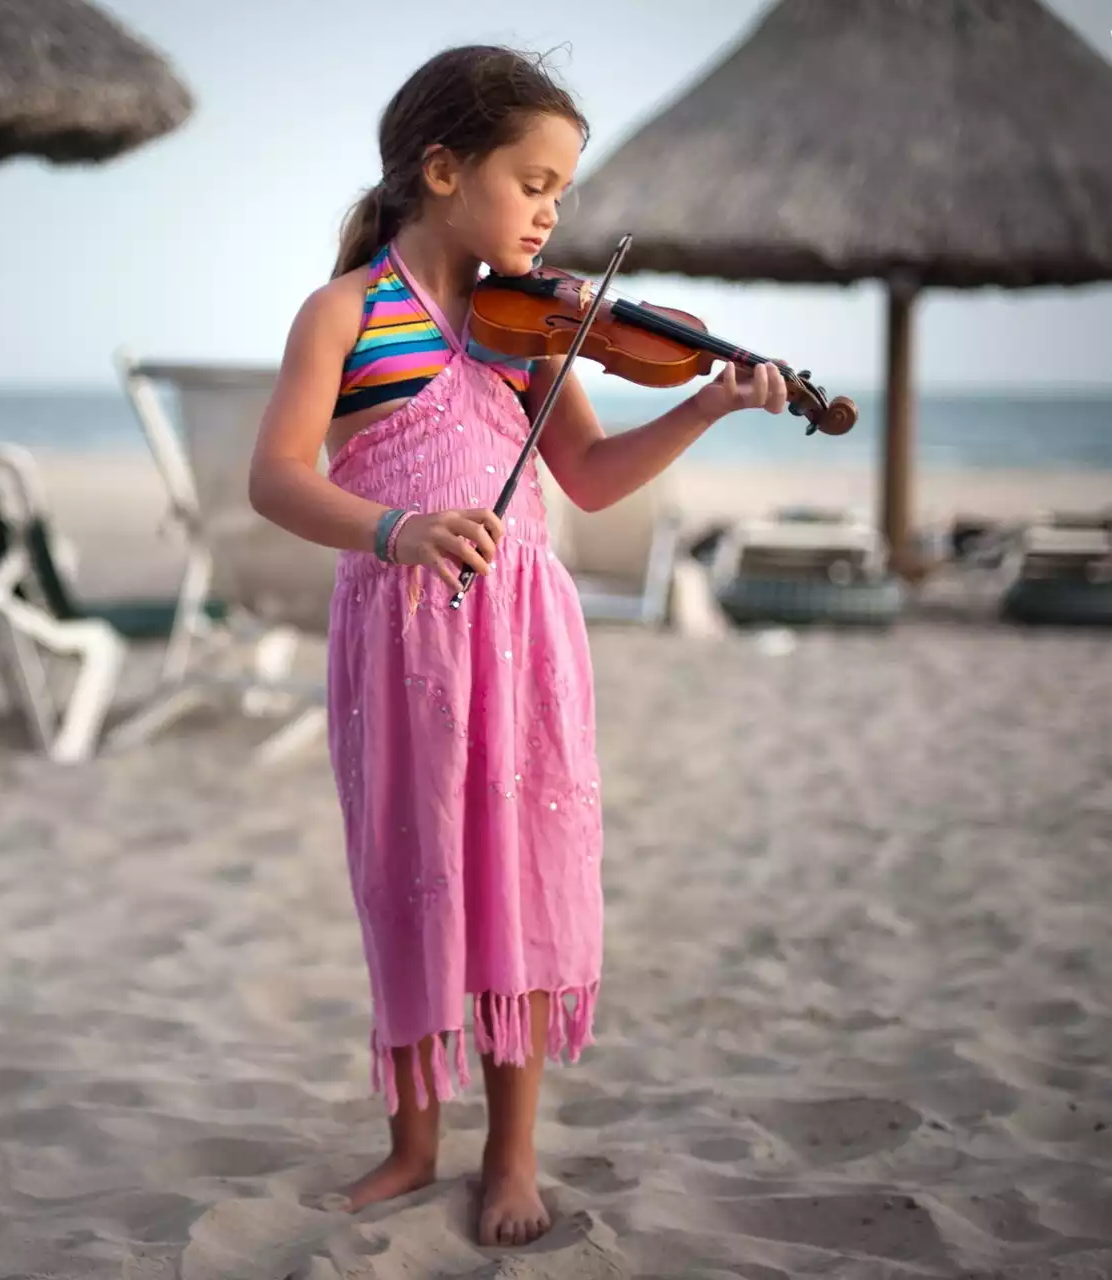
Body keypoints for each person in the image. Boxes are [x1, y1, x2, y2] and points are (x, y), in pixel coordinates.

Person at [246, 44, 789, 1248]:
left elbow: (589, 480)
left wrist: (699, 402)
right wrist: (395, 528)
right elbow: (276, 478)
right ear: (443, 169)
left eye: (563, 192)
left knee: (522, 879)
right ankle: (410, 1142)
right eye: (534, 181)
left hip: (523, 642)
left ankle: (514, 1152)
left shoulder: (537, 331)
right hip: (399, 643)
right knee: (411, 875)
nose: (552, 212)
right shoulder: (346, 312)